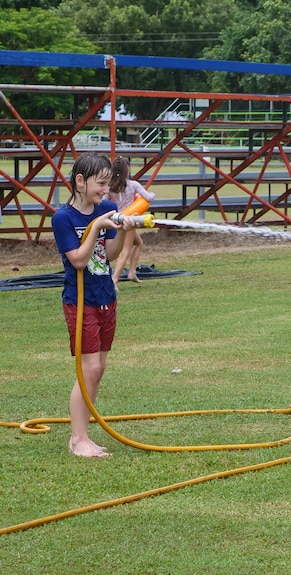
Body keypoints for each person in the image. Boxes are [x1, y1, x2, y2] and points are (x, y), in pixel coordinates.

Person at [52, 153, 137, 457]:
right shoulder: (63, 218)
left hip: (105, 298)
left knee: (98, 369)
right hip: (80, 301)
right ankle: (78, 439)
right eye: (100, 183)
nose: (106, 189)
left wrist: (123, 228)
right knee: (89, 369)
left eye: (108, 183)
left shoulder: (109, 208)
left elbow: (110, 253)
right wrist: (97, 224)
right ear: (80, 181)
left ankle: (84, 435)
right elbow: (78, 259)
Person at [109, 156, 156, 287]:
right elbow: (148, 197)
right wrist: (151, 194)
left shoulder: (111, 186)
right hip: (130, 220)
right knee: (125, 250)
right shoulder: (133, 185)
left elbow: (105, 201)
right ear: (127, 169)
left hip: (118, 219)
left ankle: (132, 272)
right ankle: (115, 279)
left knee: (139, 243)